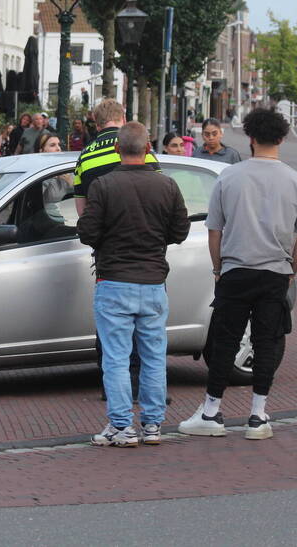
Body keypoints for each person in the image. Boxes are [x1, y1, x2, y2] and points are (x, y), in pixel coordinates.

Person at [179, 108, 297, 441]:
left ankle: (211, 410)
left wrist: (218, 268)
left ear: (250, 138)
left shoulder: (229, 176)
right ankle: (258, 414)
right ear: (282, 138)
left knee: (225, 340)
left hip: (235, 270)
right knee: (266, 341)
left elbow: (214, 231)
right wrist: (291, 271)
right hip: (275, 272)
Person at [78, 122, 189, 447]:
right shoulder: (167, 186)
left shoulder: (103, 186)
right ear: (149, 148)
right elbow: (180, 231)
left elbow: (88, 232)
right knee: (154, 356)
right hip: (154, 282)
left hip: (113, 280)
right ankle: (153, 425)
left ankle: (121, 426)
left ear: (117, 149)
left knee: (116, 358)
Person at [73, 99, 159, 398]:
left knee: (110, 326)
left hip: (109, 256)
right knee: (146, 328)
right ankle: (145, 390)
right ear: (124, 118)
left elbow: (82, 212)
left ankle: (111, 388)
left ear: (96, 123)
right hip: (147, 253)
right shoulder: (142, 149)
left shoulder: (84, 157)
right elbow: (157, 196)